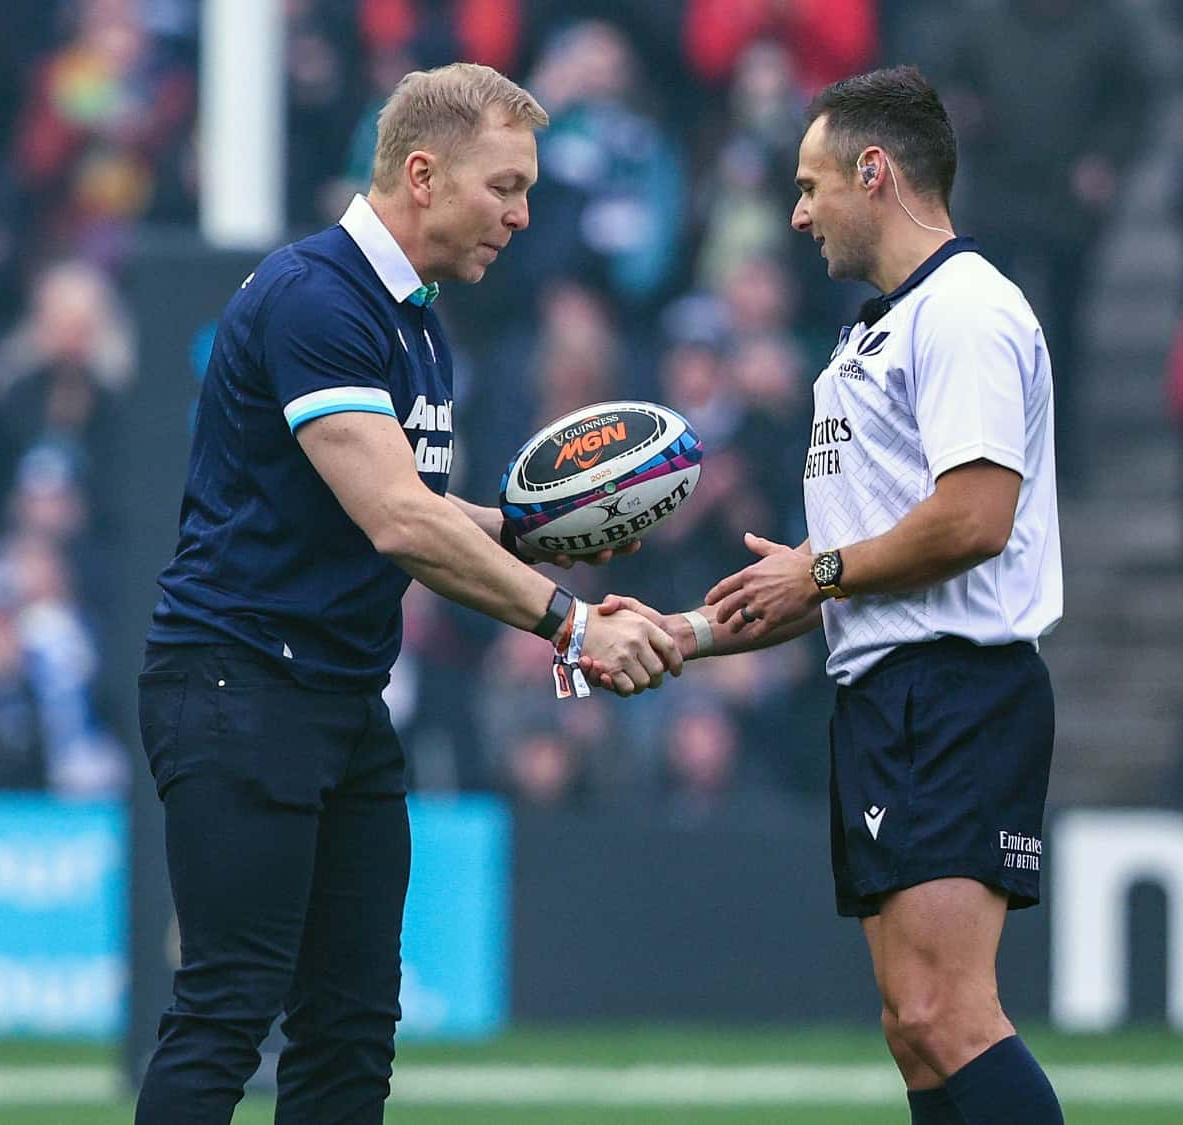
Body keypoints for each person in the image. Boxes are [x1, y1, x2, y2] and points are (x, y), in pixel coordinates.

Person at [134, 63, 679, 1124]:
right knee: (226, 1014)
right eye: (505, 188)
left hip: (337, 701)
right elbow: (397, 518)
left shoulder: (416, 318)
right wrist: (568, 624)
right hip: (240, 688)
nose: (522, 217)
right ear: (422, 174)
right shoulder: (316, 299)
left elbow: (408, 508)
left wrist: (535, 534)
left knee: (350, 1033)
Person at [587, 66, 1064, 1123]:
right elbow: (844, 562)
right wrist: (690, 632)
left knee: (951, 1017)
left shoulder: (969, 312)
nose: (796, 213)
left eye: (811, 185)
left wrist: (824, 569)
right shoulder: (868, 336)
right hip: (889, 693)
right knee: (915, 1030)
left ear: (876, 170)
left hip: (958, 690)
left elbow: (976, 519)